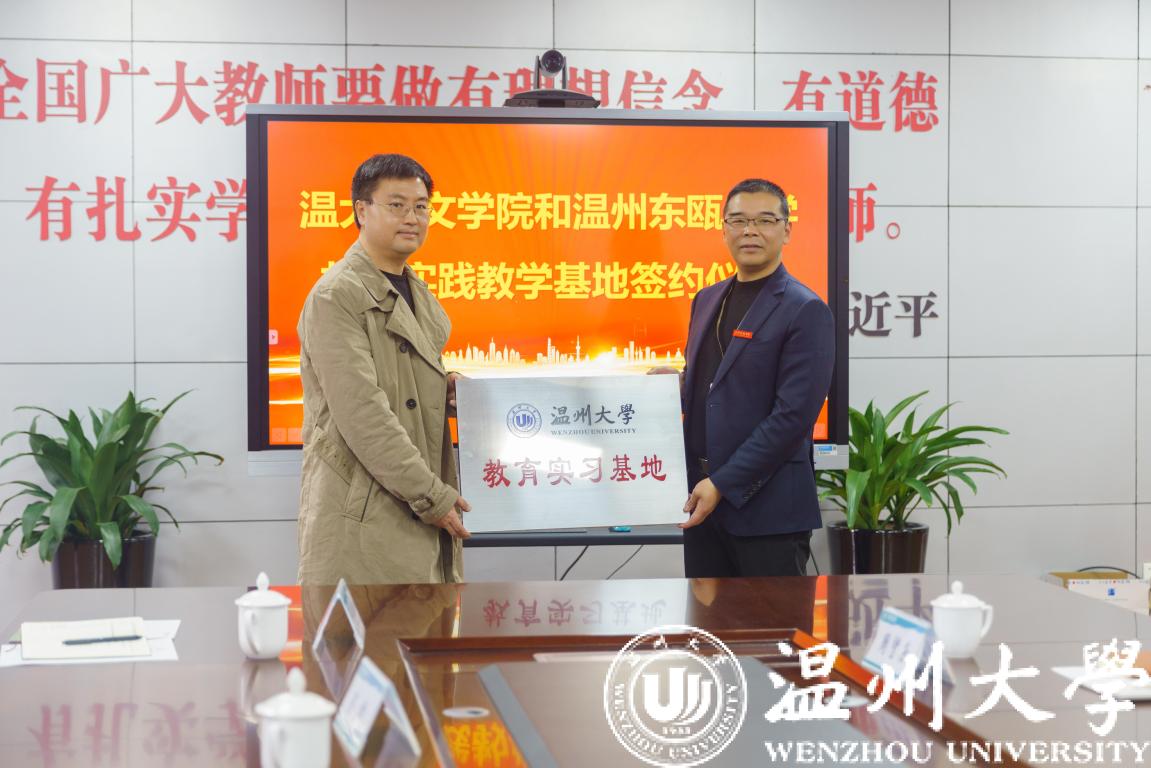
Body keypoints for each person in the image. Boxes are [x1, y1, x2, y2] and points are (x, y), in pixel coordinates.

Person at [296, 153, 470, 586]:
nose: (412, 217)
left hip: (411, 506)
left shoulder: (415, 290)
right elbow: (363, 414)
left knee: (424, 629)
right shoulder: (336, 296)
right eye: (396, 205)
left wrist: (444, 387)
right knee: (364, 632)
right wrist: (432, 496)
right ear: (362, 210)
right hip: (366, 518)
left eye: (421, 206)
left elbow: (401, 379)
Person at [674, 178, 834, 578]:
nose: (750, 231)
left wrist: (722, 483)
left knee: (771, 620)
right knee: (705, 616)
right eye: (738, 220)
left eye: (764, 220)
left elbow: (792, 418)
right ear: (723, 228)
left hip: (768, 513)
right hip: (702, 501)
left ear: (787, 230)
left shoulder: (805, 309)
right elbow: (711, 386)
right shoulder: (706, 299)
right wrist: (667, 389)